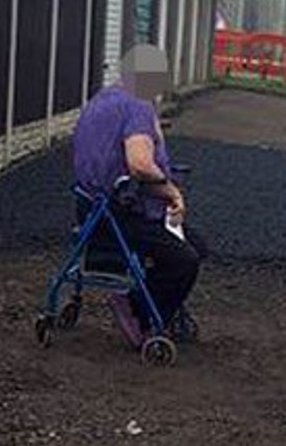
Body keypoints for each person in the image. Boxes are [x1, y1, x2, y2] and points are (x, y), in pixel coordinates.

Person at [72, 45, 205, 349]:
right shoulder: (137, 107)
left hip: (89, 207)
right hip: (120, 213)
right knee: (187, 258)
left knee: (193, 243)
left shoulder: (102, 100)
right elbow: (140, 164)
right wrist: (171, 189)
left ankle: (148, 296)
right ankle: (139, 311)